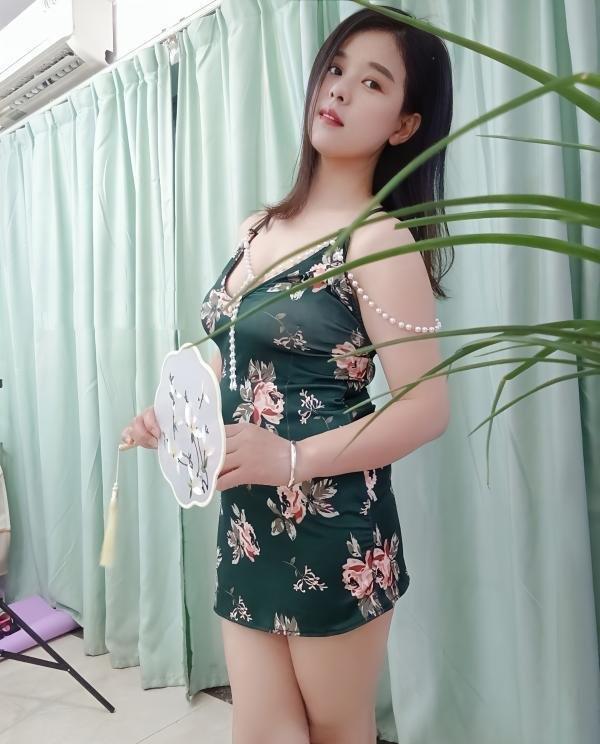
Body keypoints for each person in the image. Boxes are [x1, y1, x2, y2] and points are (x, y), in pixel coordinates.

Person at [122, 5, 454, 743]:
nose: (338, 90)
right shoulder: (258, 228)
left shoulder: (379, 242)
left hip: (336, 528)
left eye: (372, 82)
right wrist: (174, 416)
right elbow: (241, 355)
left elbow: (427, 408)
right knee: (263, 729)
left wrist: (292, 458)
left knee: (335, 732)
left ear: (404, 125)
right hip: (247, 522)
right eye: (335, 69)